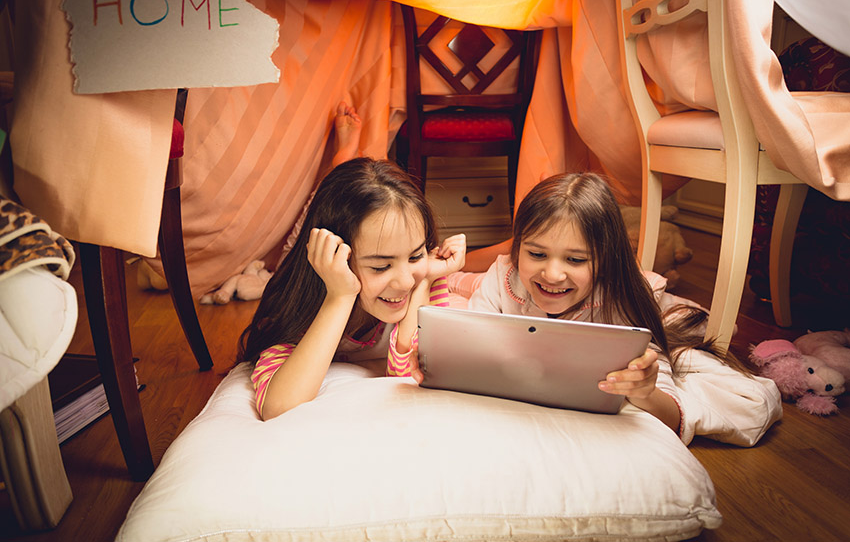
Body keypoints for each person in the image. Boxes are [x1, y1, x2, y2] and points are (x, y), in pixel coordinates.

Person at [452, 173, 780, 443]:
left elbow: (671, 410)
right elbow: (471, 348)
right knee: (461, 284)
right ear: (517, 249)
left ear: (605, 260)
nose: (552, 274)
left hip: (645, 296)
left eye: (576, 259)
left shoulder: (620, 302)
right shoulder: (503, 276)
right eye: (536, 254)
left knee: (695, 326)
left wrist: (646, 393)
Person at [238, 157, 466, 420]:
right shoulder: (297, 306)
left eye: (415, 256)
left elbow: (407, 377)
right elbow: (279, 407)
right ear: (336, 256)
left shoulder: (424, 280)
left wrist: (424, 280)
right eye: (381, 267)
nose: (405, 282)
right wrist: (340, 296)